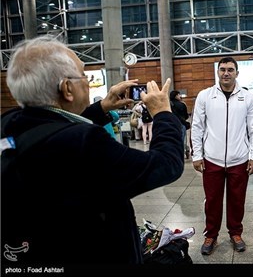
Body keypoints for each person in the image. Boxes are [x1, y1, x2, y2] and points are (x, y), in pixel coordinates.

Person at [1, 35, 184, 266]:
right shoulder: (84, 143)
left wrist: (101, 107)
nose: (88, 82)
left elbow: (53, 128)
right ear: (67, 88)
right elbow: (166, 164)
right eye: (83, 76)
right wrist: (163, 113)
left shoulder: (8, 124)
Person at [191, 56, 253, 255]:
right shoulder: (205, 96)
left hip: (239, 159)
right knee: (212, 199)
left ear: (237, 73)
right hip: (211, 159)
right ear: (217, 72)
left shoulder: (247, 97)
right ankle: (211, 234)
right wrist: (197, 154)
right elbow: (197, 127)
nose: (226, 73)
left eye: (230, 69)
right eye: (222, 69)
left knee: (237, 199)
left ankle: (235, 233)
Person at [170, 90, 190, 158]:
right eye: (179, 95)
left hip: (171, 124)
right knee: (182, 140)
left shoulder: (168, 104)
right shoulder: (182, 104)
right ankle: (183, 152)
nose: (180, 96)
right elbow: (186, 116)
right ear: (176, 96)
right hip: (181, 124)